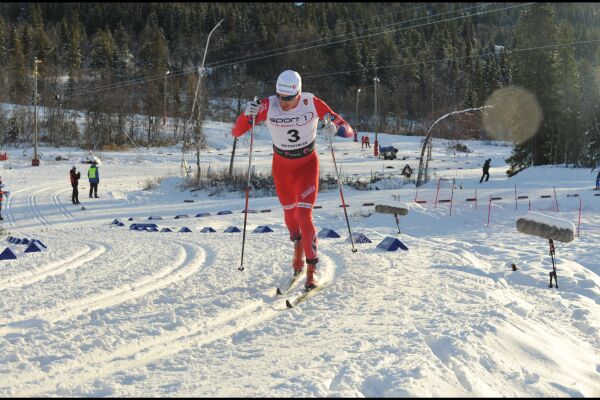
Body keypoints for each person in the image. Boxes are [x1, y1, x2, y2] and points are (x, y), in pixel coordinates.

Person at [232, 70, 354, 291]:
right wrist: (246, 114)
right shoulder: (268, 105)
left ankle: (312, 269)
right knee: (289, 213)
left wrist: (335, 129)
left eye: (288, 98)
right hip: (282, 167)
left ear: (298, 93)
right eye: (280, 96)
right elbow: (237, 131)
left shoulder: (312, 103)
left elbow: (348, 130)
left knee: (304, 214)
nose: (283, 102)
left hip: (307, 165)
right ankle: (297, 246)